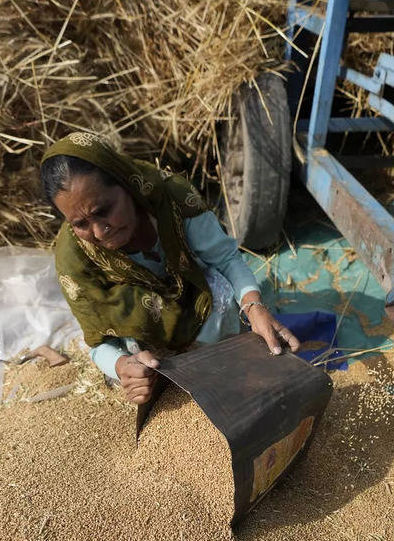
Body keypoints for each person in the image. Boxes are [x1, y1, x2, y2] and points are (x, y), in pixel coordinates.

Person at [40, 132, 300, 405]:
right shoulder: (73, 257)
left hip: (195, 302)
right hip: (144, 340)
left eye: (104, 210)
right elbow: (97, 342)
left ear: (126, 183)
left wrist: (253, 306)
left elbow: (226, 260)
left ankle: (220, 349)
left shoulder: (171, 198)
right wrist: (122, 366)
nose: (100, 230)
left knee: (222, 294)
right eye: (81, 224)